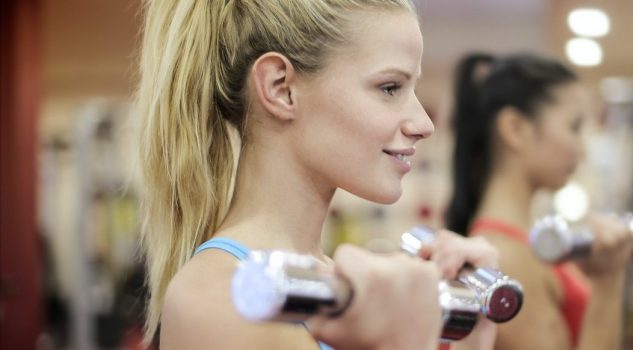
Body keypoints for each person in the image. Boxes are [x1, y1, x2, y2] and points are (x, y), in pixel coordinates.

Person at [135, 1, 498, 349]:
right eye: (390, 88)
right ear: (281, 88)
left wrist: (473, 333)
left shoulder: (322, 281)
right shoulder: (223, 297)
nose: (424, 124)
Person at [446, 53, 633, 350]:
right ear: (515, 128)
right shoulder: (505, 257)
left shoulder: (522, 241)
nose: (581, 150)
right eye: (573, 127)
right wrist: (608, 282)